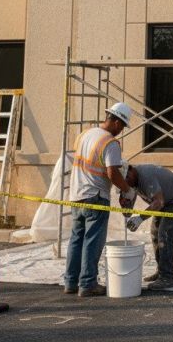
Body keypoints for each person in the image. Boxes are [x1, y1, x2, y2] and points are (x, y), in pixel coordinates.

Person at [64, 102, 134, 297]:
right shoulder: (110, 143)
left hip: (76, 195)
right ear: (117, 122)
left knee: (76, 239)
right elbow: (113, 173)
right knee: (92, 241)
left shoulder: (85, 134)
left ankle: (70, 282)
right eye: (122, 126)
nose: (121, 131)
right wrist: (127, 190)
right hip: (96, 196)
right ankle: (87, 284)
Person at [120, 162, 173, 290]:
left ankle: (167, 277)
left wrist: (140, 218)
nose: (127, 183)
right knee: (155, 233)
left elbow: (158, 202)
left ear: (130, 170)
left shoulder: (146, 176)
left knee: (165, 235)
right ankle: (161, 271)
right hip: (165, 202)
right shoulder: (132, 181)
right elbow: (129, 206)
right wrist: (126, 203)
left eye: (126, 179)